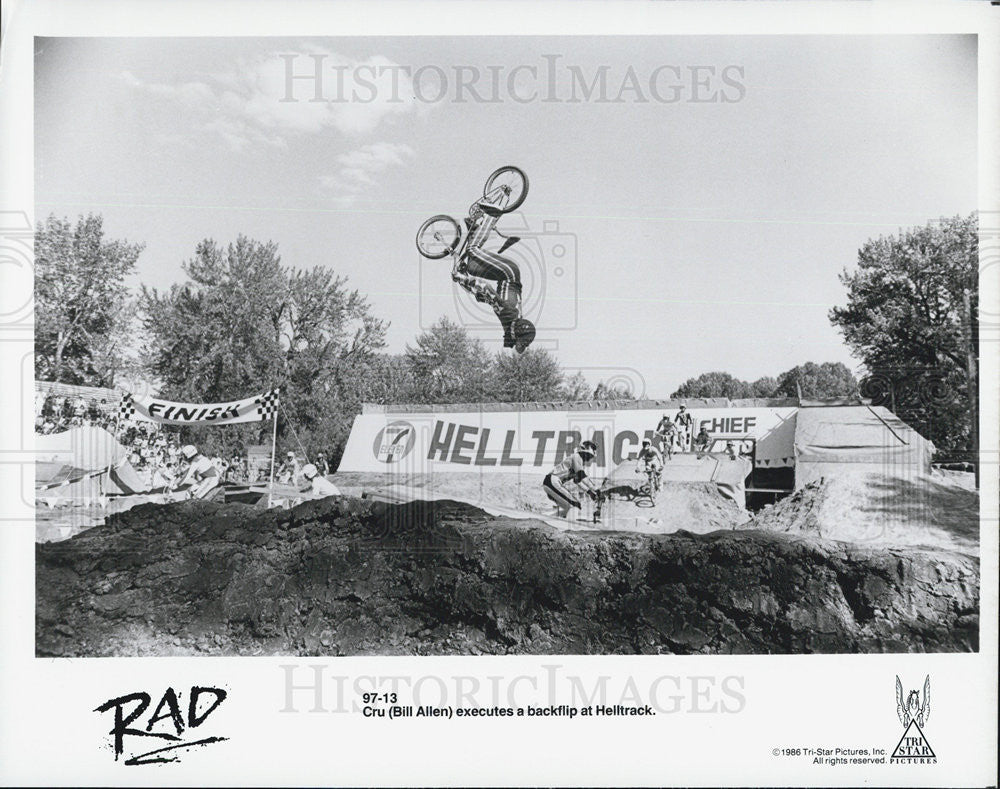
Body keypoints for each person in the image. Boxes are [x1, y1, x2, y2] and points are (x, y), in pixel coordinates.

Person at [453, 184, 527, 351]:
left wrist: (465, 279)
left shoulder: (514, 320)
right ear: (516, 332)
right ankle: (492, 215)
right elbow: (485, 288)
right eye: (514, 340)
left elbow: (484, 296)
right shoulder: (508, 314)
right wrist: (461, 278)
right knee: (473, 251)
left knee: (472, 267)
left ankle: (474, 227)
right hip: (507, 272)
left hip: (509, 275)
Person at [542, 440, 601, 518]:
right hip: (552, 482)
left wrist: (590, 493)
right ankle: (569, 527)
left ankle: (544, 518)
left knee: (568, 508)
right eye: (589, 456)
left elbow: (577, 481)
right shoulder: (577, 457)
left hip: (550, 483)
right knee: (575, 505)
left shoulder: (579, 461)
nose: (590, 458)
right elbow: (581, 475)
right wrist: (596, 489)